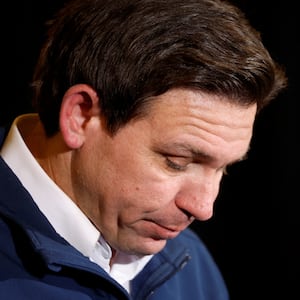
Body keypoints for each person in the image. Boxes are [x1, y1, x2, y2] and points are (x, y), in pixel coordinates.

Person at [0, 0, 287, 299]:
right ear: (80, 116)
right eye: (177, 161)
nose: (203, 208)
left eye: (223, 168)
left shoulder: (191, 262)